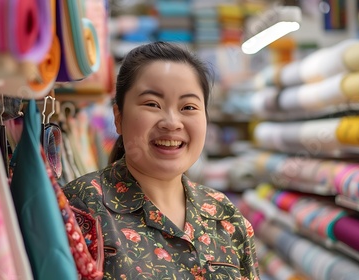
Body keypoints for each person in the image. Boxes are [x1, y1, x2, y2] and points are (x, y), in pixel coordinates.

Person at [63, 41, 260, 279]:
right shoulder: (78, 206)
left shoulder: (224, 215)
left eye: (188, 107)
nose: (172, 122)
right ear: (118, 117)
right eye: (152, 104)